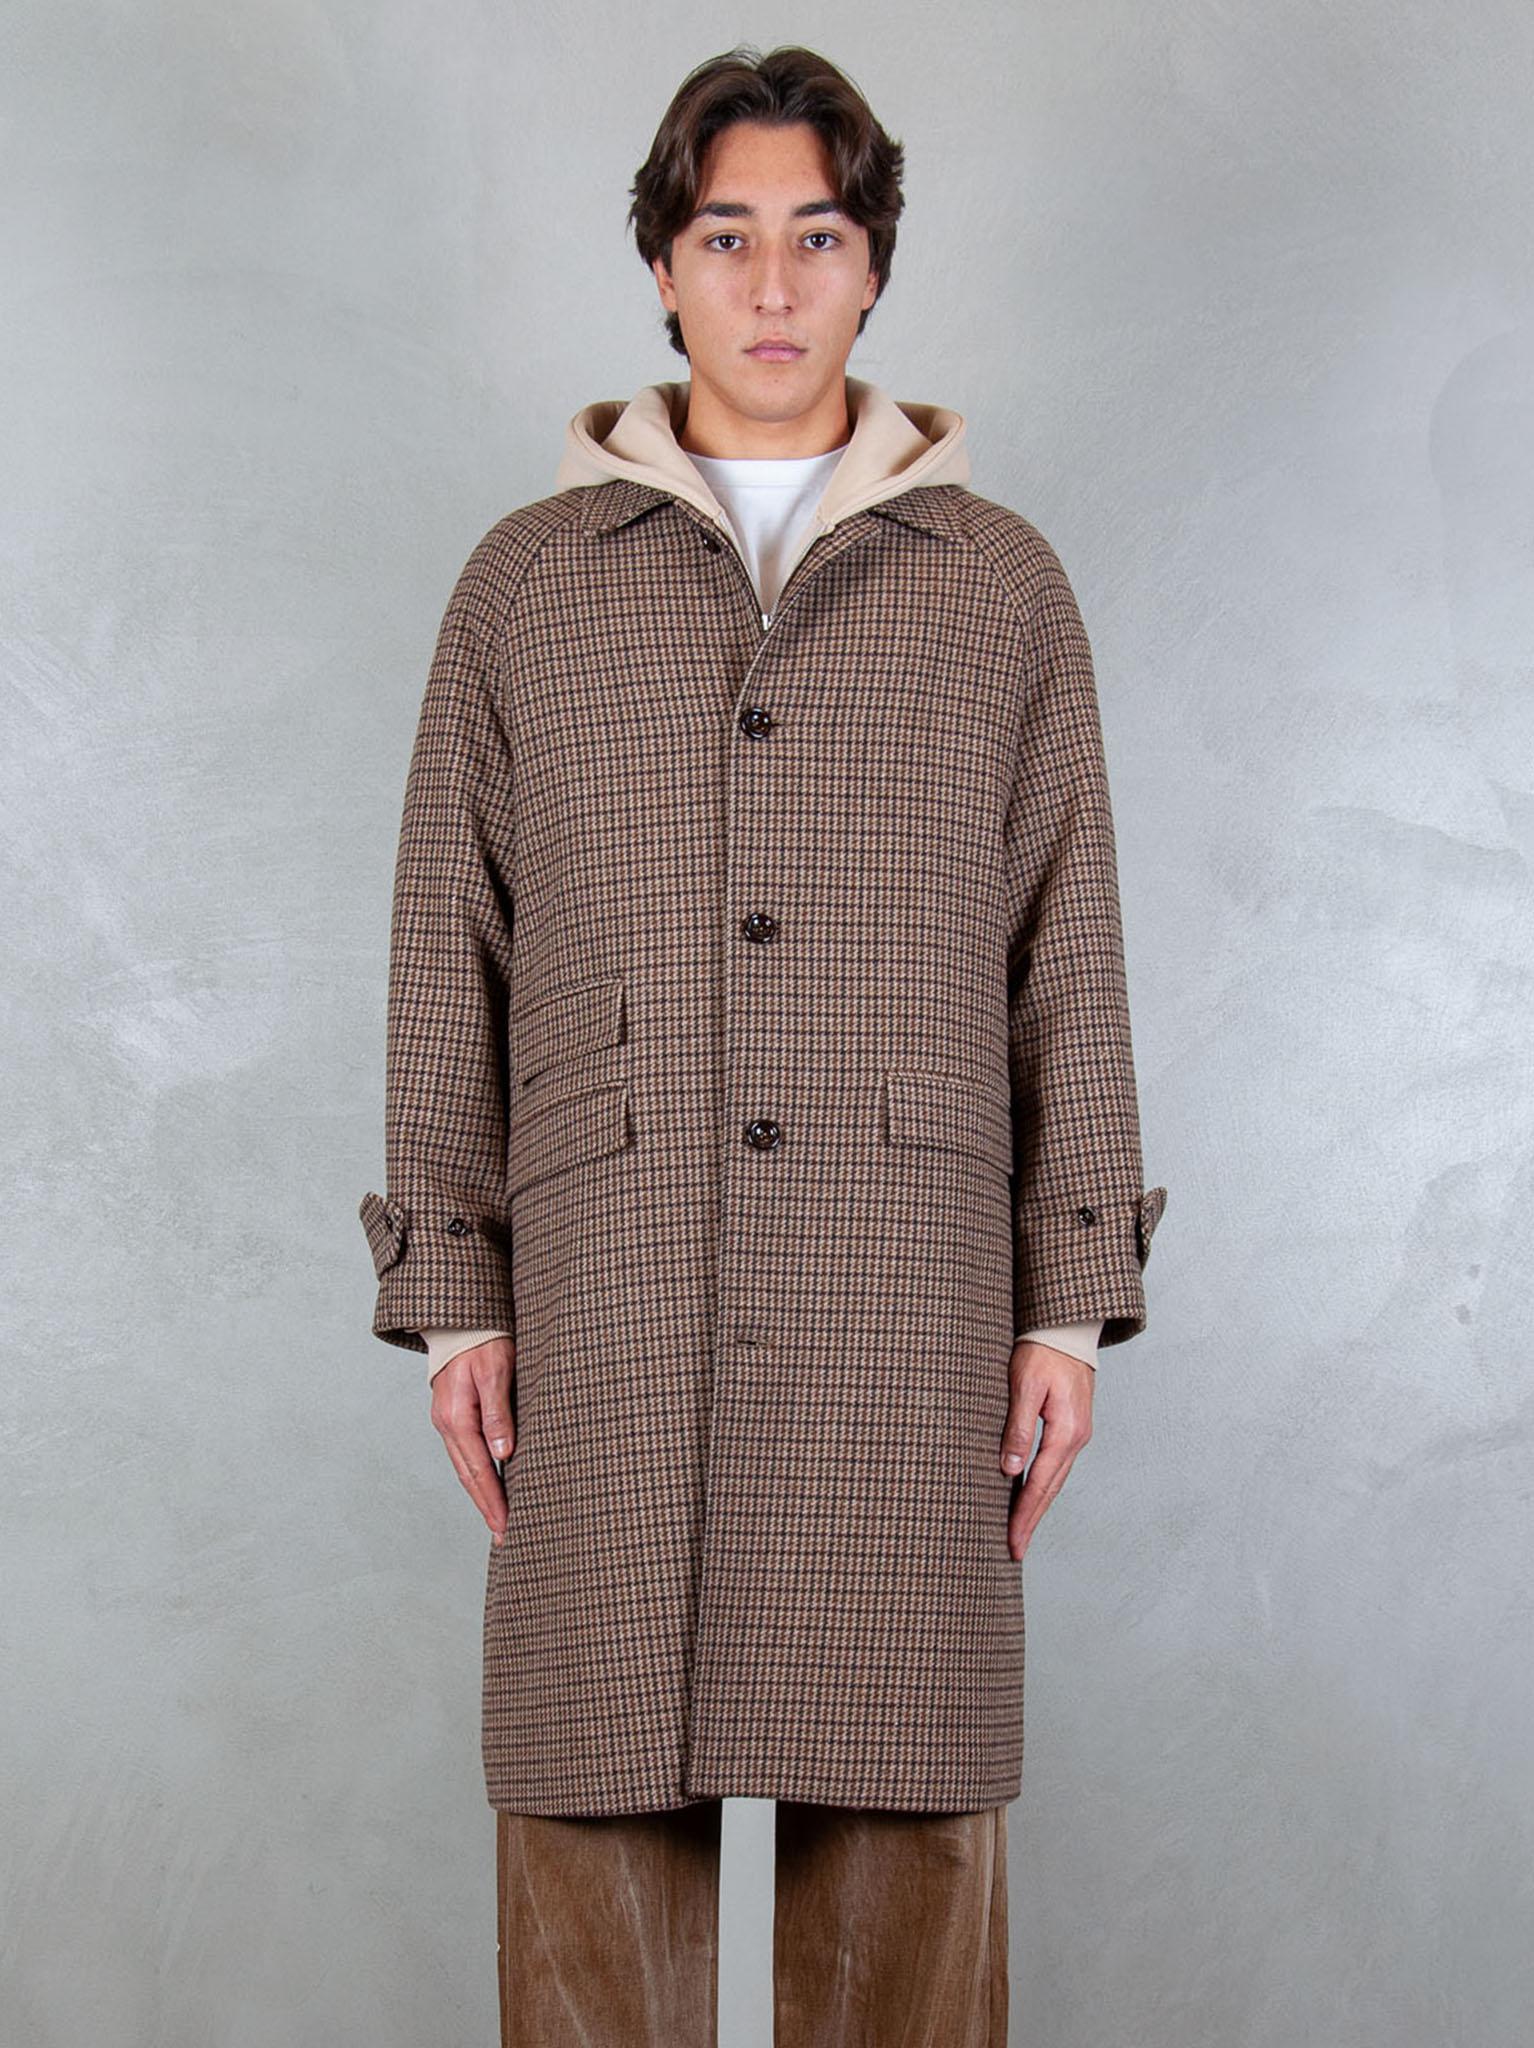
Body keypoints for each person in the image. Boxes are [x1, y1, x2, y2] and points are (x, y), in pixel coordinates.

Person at [358, 42, 1167, 2047]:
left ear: (873, 264)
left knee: (906, 1863)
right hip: (608, 1298)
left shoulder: (996, 588)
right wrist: (455, 1298)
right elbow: (448, 947)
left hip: (905, 1306)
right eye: (726, 237)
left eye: (817, 235)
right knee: (585, 1852)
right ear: (661, 265)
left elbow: (1064, 946)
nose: (774, 283)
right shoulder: (525, 587)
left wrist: (1063, 1309)